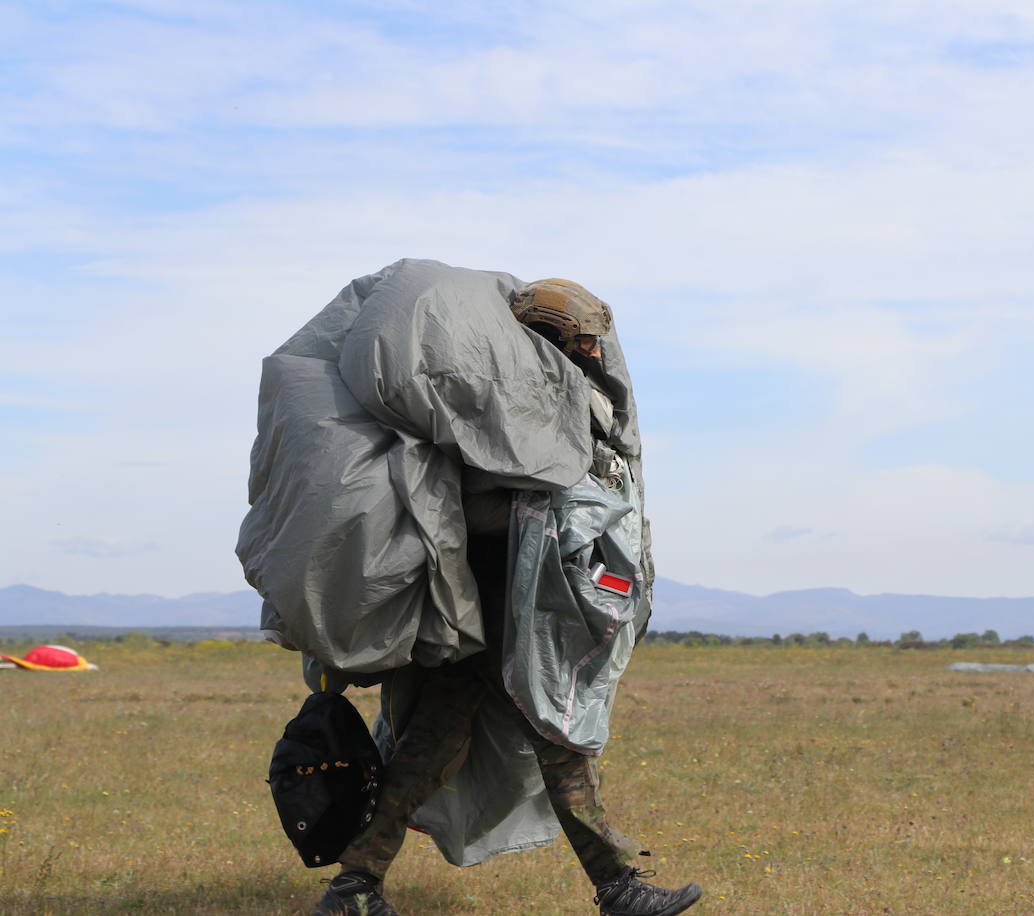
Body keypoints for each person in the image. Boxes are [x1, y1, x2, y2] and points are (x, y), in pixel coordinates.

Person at [236, 263, 697, 916]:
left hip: (489, 617)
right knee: (556, 743)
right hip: (502, 609)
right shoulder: (512, 398)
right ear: (556, 337)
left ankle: (354, 887)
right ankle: (617, 887)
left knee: (428, 752)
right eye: (585, 339)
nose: (595, 352)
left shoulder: (546, 396)